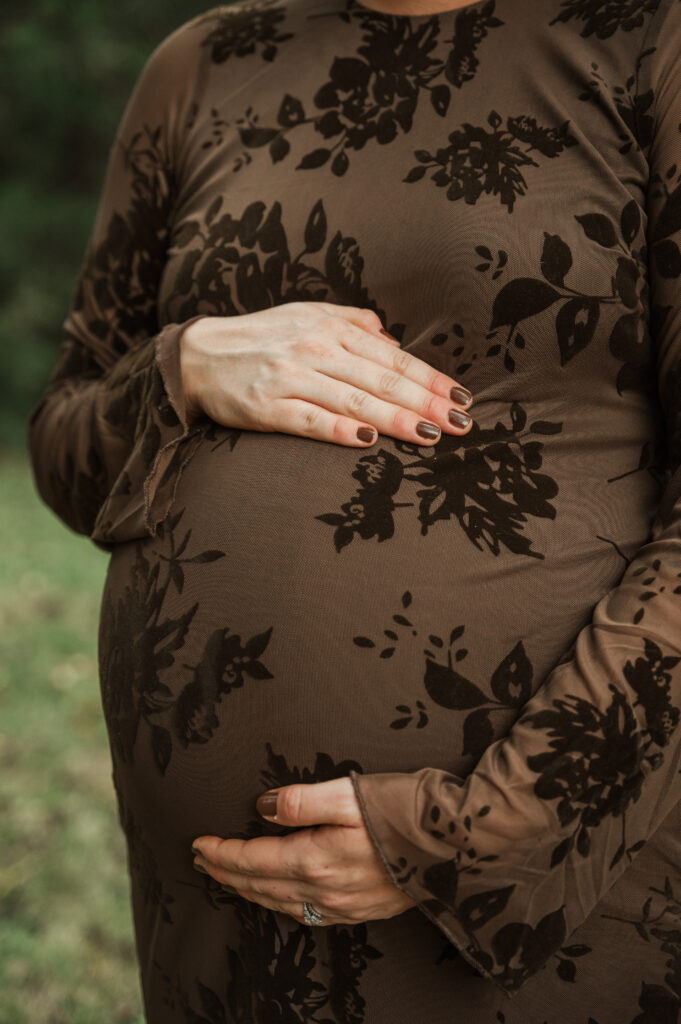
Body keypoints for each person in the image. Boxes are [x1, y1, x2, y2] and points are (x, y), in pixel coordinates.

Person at [27, 0, 681, 1018]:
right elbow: (64, 451)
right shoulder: (202, 65)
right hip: (215, 927)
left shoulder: (650, 43)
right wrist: (182, 364)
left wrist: (479, 838)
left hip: (550, 900)